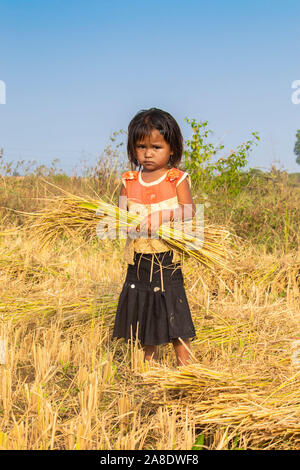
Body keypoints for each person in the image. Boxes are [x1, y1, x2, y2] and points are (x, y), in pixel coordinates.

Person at [112, 108, 196, 366]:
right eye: (141, 146)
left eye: (156, 147)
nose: (148, 153)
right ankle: (150, 366)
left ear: (172, 149)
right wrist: (124, 223)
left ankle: (186, 367)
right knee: (145, 309)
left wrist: (163, 216)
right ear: (132, 148)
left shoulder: (176, 178)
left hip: (167, 258)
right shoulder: (129, 180)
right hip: (139, 258)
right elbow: (120, 213)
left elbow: (189, 211)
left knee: (174, 309)